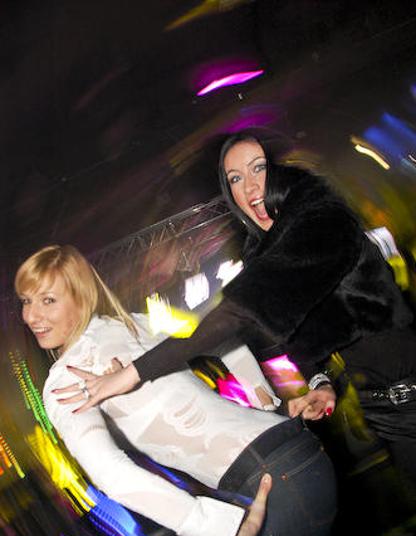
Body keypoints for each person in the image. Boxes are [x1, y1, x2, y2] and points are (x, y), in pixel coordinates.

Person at [60, 131, 416, 504]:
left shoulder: (321, 219)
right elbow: (303, 333)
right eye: (235, 178)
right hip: (381, 409)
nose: (250, 187)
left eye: (259, 168)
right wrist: (321, 382)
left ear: (280, 170)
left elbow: (234, 316)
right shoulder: (267, 251)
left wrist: (131, 374)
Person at [15, 244, 338, 536]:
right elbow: (224, 340)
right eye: (27, 301)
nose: (32, 316)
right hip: (283, 465)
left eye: (48, 300)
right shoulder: (138, 323)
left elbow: (112, 475)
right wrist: (264, 401)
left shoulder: (65, 381)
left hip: (274, 480)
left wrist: (219, 527)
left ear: (81, 296)